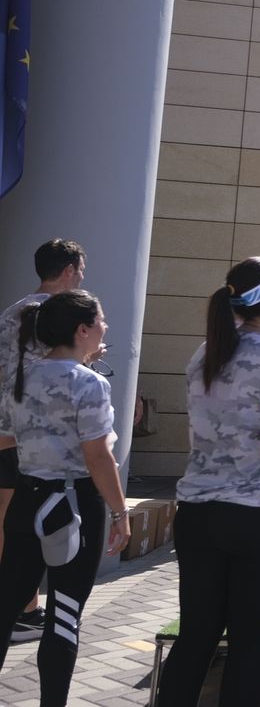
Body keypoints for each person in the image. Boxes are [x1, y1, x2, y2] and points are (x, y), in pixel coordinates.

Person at [158, 257, 260, 707]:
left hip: (199, 512)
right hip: (259, 516)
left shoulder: (205, 353)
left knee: (196, 635)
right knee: (248, 643)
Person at [0, 290, 129, 707]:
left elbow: (7, 435)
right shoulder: (88, 383)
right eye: (102, 320)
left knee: (5, 606)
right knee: (65, 612)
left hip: (26, 498)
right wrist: (120, 510)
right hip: (73, 505)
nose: (106, 328)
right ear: (83, 329)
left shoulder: (23, 375)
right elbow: (98, 455)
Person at [0, 239, 86, 644]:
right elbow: (48, 376)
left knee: (10, 524)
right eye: (80, 270)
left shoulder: (14, 310)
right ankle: (20, 612)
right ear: (69, 269)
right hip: (28, 432)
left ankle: (26, 609)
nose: (82, 277)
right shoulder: (50, 315)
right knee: (23, 526)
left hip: (7, 427)